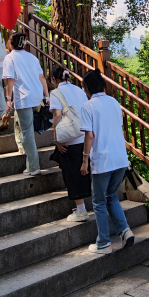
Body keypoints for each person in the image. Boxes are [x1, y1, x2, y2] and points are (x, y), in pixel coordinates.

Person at [79, 69, 134, 254]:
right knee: (111, 196)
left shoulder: (88, 106)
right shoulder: (114, 102)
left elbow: (89, 136)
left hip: (102, 160)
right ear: (102, 85)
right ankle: (125, 230)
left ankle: (103, 243)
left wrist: (84, 160)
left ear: (86, 88)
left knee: (99, 202)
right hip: (120, 158)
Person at [47, 66, 91, 222]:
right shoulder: (80, 90)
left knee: (71, 174)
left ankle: (81, 210)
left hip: (69, 139)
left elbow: (57, 115)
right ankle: (85, 207)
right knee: (82, 171)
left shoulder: (56, 93)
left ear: (54, 79)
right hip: (84, 136)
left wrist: (56, 138)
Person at [2, 32, 49, 176]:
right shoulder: (32, 57)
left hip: (24, 98)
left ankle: (34, 166)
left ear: (11, 44)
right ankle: (30, 164)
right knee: (27, 129)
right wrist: (47, 96)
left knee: (27, 133)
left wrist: (8, 99)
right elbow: (42, 77)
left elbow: (10, 80)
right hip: (37, 96)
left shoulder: (10, 58)